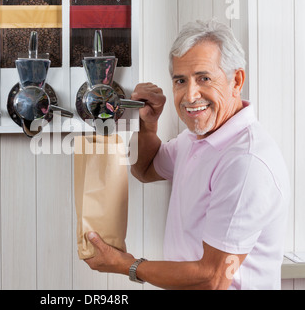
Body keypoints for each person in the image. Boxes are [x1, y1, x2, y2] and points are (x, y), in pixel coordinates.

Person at [84, 20, 290, 290]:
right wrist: (149, 123)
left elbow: (212, 279)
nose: (190, 95)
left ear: (236, 81)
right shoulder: (195, 138)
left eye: (204, 78)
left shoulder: (245, 162)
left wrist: (127, 265)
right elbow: (144, 170)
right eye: (181, 80)